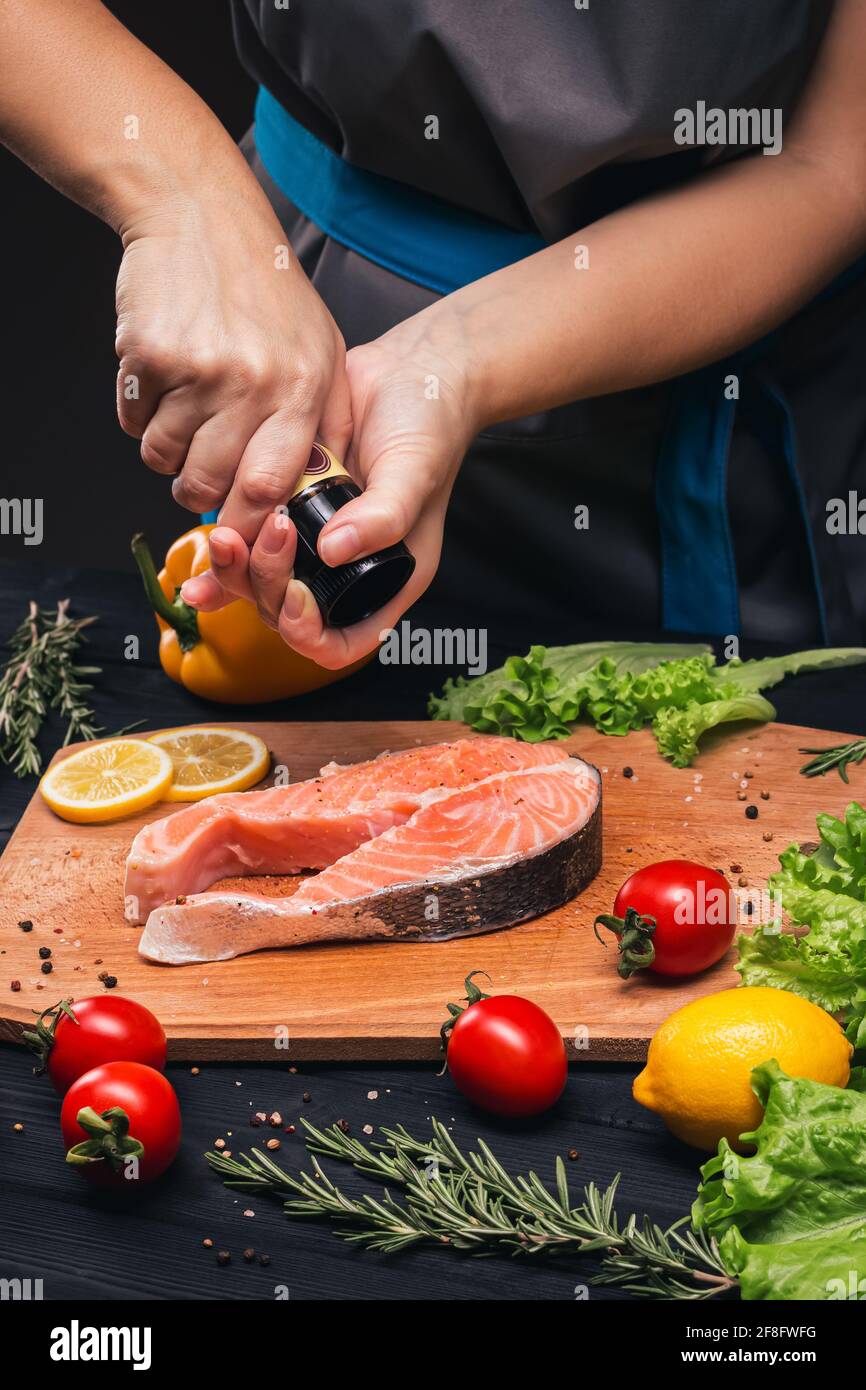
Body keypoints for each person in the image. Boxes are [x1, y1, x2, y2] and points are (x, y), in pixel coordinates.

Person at [3, 1, 865, 669]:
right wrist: (187, 205)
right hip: (307, 300)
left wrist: (451, 364)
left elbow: (835, 161)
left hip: (725, 368)